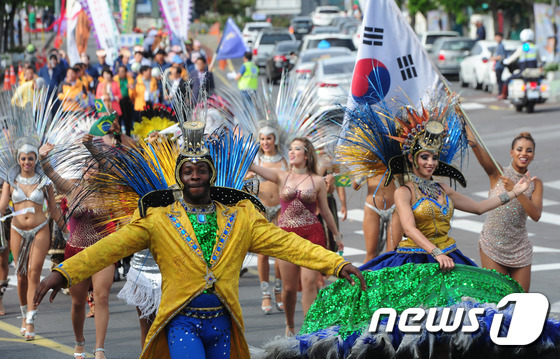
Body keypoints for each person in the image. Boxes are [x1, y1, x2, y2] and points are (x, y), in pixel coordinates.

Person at [34, 118, 365, 359]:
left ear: (211, 174)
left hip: (224, 324)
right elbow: (108, 248)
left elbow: (289, 244)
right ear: (180, 176)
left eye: (202, 171)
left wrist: (336, 263)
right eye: (189, 172)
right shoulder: (159, 218)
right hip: (182, 323)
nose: (195, 176)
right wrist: (62, 272)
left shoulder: (240, 217)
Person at [261, 98, 544, 358]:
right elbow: (408, 226)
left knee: (469, 315)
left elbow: (480, 207)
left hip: (448, 259)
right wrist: (435, 252)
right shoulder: (405, 192)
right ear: (413, 159)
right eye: (424, 157)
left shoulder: (442, 188)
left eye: (434, 158)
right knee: (404, 322)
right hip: (415, 260)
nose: (430, 162)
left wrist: (515, 192)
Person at [250, 137, 345, 336]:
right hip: (286, 237)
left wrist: (336, 235)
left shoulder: (317, 181)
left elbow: (326, 211)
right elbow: (254, 167)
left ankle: (310, 331)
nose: (292, 152)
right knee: (289, 289)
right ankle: (290, 325)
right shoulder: (280, 175)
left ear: (307, 154)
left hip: (312, 234)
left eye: (297, 149)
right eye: (290, 149)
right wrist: (241, 151)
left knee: (310, 283)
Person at [39, 138, 115, 359]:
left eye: (94, 165)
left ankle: (99, 349)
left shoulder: (107, 190)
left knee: (101, 298)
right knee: (77, 304)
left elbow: (110, 166)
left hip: (103, 251)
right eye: (86, 166)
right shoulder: (72, 189)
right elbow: (51, 173)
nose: (89, 170)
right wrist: (43, 157)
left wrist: (92, 147)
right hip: (76, 252)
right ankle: (79, 341)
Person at [0, 137, 63, 341]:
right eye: (24, 158)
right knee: (20, 276)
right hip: (17, 230)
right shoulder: (11, 179)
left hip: (40, 229)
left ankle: (30, 320)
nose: (27, 162)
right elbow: (2, 207)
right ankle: (23, 313)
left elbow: (53, 210)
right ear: (18, 159)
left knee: (34, 273)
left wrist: (68, 231)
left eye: (31, 158)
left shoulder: (45, 181)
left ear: (36, 159)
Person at [468, 130, 542, 292]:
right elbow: (475, 144)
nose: (524, 154)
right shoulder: (498, 174)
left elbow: (536, 215)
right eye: (519, 149)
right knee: (497, 300)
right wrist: (460, 115)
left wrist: (517, 191)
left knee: (520, 300)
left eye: (529, 151)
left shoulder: (535, 184)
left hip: (519, 248)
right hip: (492, 245)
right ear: (512, 152)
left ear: (533, 155)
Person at [252, 123, 287, 315]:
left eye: (269, 138)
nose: (265, 142)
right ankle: (266, 294)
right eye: (262, 138)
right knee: (263, 253)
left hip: (282, 209)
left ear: (275, 140)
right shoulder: (255, 160)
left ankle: (278, 291)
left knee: (280, 253)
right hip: (262, 210)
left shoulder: (284, 161)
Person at [501, 28, 542, 99]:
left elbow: (511, 59)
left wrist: (504, 61)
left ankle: (503, 95)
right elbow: (540, 61)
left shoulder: (521, 48)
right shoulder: (535, 48)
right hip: (534, 73)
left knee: (507, 79)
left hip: (523, 72)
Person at [114, 65, 136, 135]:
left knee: (127, 119)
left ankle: (128, 135)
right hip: (118, 102)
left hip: (127, 101)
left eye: (122, 71)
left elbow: (135, 92)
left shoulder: (130, 80)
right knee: (118, 119)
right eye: (119, 71)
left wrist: (132, 89)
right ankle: (119, 135)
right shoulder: (115, 80)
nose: (120, 73)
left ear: (126, 72)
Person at [491, 32, 507, 99]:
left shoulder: (501, 46)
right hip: (497, 65)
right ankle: (500, 93)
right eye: (495, 37)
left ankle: (501, 93)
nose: (496, 38)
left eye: (497, 37)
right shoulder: (498, 45)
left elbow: (501, 56)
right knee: (498, 80)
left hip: (500, 66)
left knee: (499, 80)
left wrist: (493, 58)